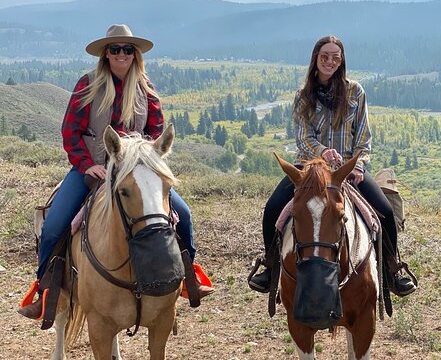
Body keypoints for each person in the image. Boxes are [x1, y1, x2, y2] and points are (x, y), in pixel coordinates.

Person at [18, 24, 214, 319]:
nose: (121, 54)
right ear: (106, 54)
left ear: (135, 55)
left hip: (136, 172)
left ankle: (190, 277)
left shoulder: (146, 89)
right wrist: (88, 165)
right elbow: (70, 133)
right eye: (115, 49)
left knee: (182, 216)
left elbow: (156, 132)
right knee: (54, 225)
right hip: (93, 170)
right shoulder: (88, 85)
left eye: (127, 49)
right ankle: (45, 290)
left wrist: (144, 160)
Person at [248, 35, 416, 297]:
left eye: (335, 57)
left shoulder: (355, 92)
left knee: (384, 213)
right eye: (325, 56)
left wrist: (358, 165)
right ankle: (270, 267)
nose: (330, 62)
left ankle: (392, 270)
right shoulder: (303, 95)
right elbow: (303, 137)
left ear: (342, 60)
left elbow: (363, 137)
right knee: (272, 210)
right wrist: (323, 153)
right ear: (316, 58)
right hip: (308, 170)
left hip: (347, 170)